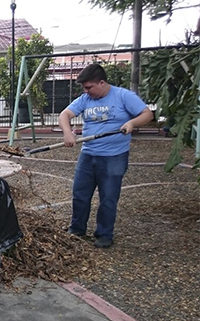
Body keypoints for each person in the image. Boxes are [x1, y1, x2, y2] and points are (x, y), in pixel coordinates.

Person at [59, 63, 153, 248]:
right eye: (84, 88)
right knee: (80, 194)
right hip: (88, 154)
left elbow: (147, 114)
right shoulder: (86, 99)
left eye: (89, 87)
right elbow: (64, 115)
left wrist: (132, 123)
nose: (86, 92)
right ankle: (77, 229)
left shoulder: (123, 96)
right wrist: (67, 133)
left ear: (101, 82)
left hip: (114, 156)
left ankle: (104, 234)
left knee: (108, 197)